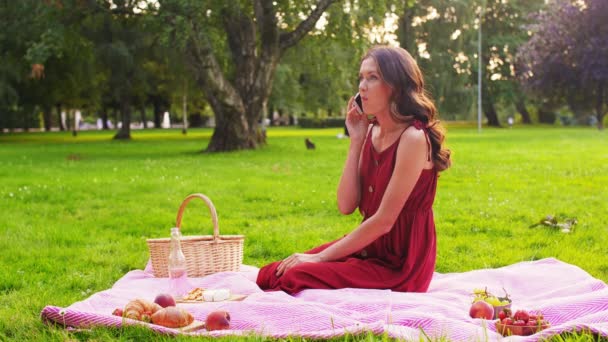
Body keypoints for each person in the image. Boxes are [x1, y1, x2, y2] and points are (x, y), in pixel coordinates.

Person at [256, 46, 451, 294]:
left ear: (397, 86)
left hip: (401, 264)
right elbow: (346, 205)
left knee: (294, 277)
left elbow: (384, 221)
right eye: (361, 77)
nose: (362, 86)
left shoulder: (413, 138)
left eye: (373, 77)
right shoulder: (371, 132)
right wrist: (356, 140)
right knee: (271, 274)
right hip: (370, 247)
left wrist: (319, 258)